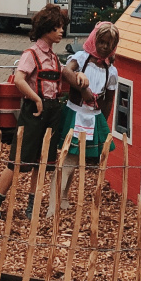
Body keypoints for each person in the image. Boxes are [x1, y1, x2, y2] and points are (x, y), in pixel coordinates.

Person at [0, 3, 68, 222]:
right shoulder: (31, 54)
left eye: (62, 27)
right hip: (33, 112)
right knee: (18, 160)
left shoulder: (54, 58)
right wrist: (35, 98)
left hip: (52, 111)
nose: (61, 31)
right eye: (57, 27)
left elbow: (64, 76)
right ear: (46, 29)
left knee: (42, 161)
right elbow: (19, 79)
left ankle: (31, 207)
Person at [49, 21, 120, 214]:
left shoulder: (111, 71)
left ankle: (63, 196)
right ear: (94, 40)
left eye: (109, 44)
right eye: (102, 42)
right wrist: (83, 88)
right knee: (69, 158)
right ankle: (52, 203)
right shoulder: (82, 58)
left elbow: (108, 100)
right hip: (76, 114)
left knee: (77, 158)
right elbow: (66, 71)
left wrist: (102, 122)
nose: (104, 47)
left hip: (92, 118)